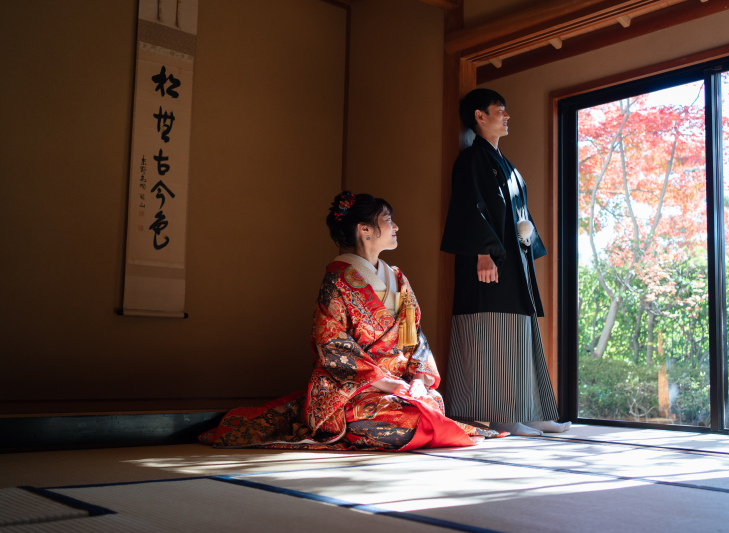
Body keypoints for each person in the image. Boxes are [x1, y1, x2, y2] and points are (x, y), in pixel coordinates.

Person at [200, 191, 506, 451]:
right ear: (365, 229)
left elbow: (414, 337)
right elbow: (332, 345)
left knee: (430, 403)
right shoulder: (336, 281)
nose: (395, 226)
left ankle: (415, 412)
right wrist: (386, 383)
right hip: (353, 388)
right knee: (397, 417)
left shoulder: (397, 279)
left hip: (400, 386)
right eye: (388, 219)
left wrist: (417, 381)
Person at [440, 88, 570, 436]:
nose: (507, 116)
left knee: (520, 331)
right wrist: (483, 253)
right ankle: (500, 415)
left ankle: (528, 410)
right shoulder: (471, 160)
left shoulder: (507, 166)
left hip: (513, 261)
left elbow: (517, 213)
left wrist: (527, 240)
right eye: (501, 110)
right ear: (479, 116)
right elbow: (470, 207)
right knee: (493, 333)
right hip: (489, 262)